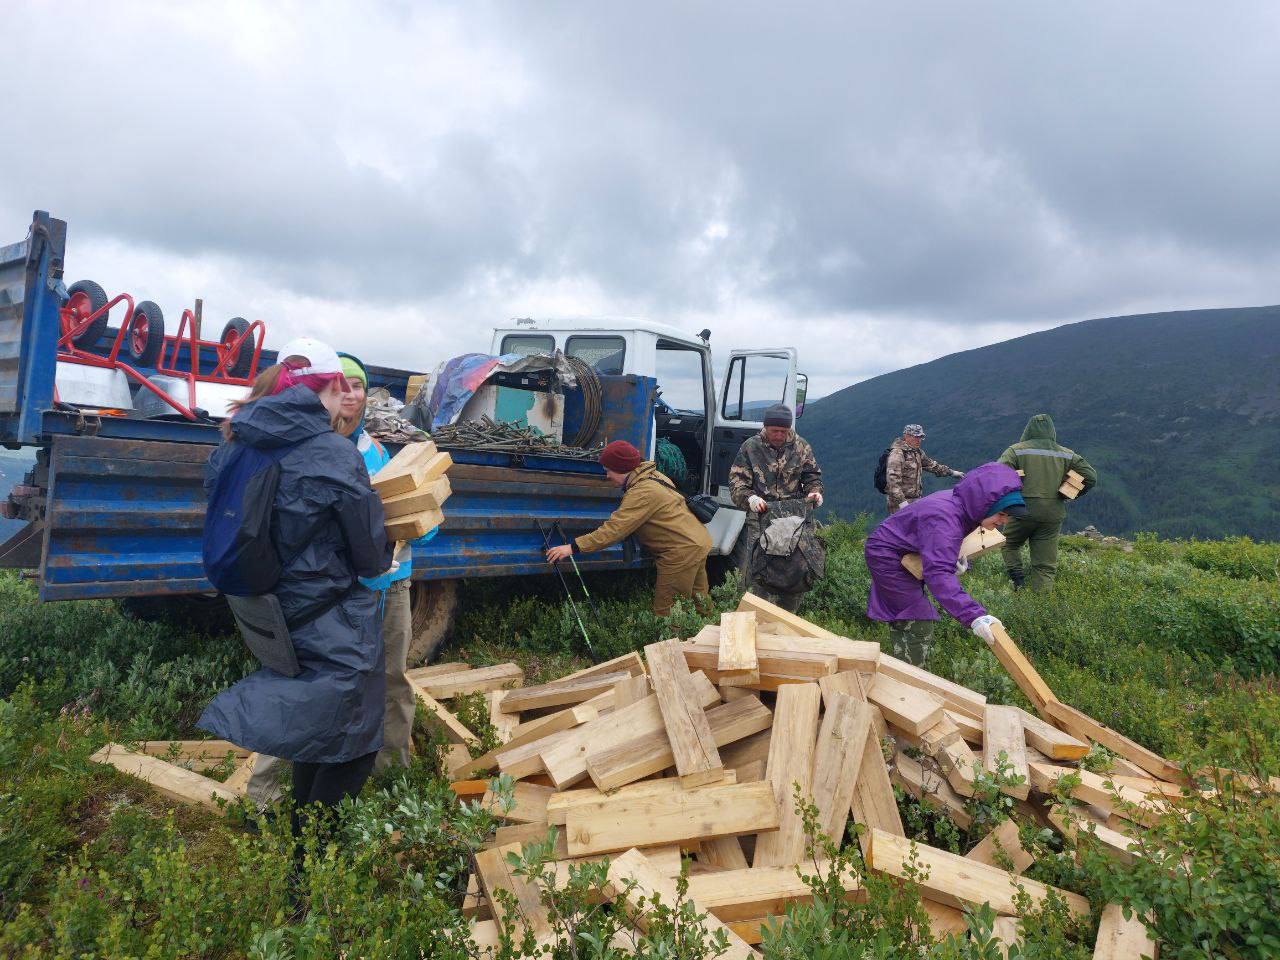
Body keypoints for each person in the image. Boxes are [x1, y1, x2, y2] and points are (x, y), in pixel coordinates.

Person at [198, 337, 393, 838]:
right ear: (328, 386)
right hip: (332, 621)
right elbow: (370, 556)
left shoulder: (236, 444)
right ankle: (313, 875)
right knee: (353, 743)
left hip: (271, 615)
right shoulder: (332, 453)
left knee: (317, 732)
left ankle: (302, 856)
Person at [864, 462, 1027, 666]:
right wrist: (974, 616)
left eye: (1008, 516)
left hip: (907, 551)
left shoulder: (966, 507)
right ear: (985, 504)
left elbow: (939, 547)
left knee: (909, 614)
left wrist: (952, 561)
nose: (1004, 521)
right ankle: (909, 679)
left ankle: (902, 665)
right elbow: (938, 573)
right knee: (917, 619)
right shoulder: (945, 518)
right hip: (887, 556)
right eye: (1001, 514)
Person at [545, 440, 712, 616]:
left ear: (622, 468)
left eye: (609, 470)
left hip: (681, 552)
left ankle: (670, 643)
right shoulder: (654, 476)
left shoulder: (643, 492)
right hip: (697, 542)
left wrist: (572, 547)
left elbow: (613, 530)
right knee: (700, 604)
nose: (607, 475)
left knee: (670, 612)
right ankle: (717, 640)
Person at [728, 403, 823, 612]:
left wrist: (815, 492)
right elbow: (736, 483)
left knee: (795, 569)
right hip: (762, 515)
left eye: (784, 431)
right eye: (775, 431)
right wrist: (750, 498)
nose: (779, 435)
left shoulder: (801, 447)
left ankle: (787, 617)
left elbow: (812, 476)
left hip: (794, 519)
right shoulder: (751, 447)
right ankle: (755, 615)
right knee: (757, 570)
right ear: (766, 427)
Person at [997, 413, 1098, 591]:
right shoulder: (1067, 454)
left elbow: (998, 474)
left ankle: (1018, 583)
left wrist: (1009, 497)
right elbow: (1090, 477)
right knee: (1045, 564)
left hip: (1022, 510)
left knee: (1009, 544)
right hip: (1052, 513)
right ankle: (1040, 603)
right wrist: (1067, 494)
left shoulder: (1016, 450)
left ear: (1028, 430)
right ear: (1052, 432)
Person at [885, 424, 964, 515]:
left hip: (915, 500)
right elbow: (892, 483)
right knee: (900, 528)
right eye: (916, 437)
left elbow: (933, 466)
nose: (919, 440)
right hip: (899, 504)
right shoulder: (897, 454)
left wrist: (952, 472)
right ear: (906, 436)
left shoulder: (917, 452)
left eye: (921, 437)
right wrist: (902, 503)